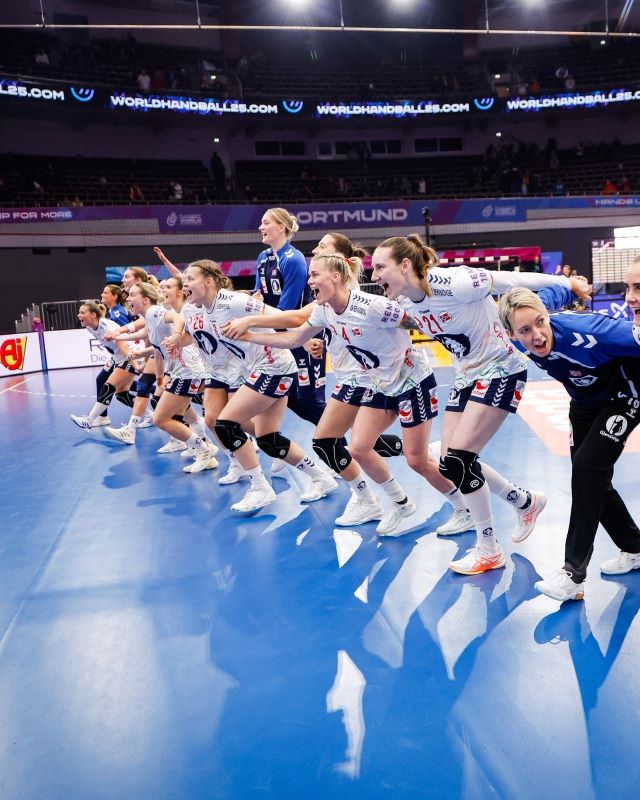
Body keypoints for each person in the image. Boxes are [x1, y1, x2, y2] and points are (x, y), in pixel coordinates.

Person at [369, 234, 581, 574]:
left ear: (405, 265)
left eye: (381, 267)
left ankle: (489, 548)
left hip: (502, 368)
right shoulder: (406, 304)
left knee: (459, 459)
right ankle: (524, 502)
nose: (375, 274)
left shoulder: (455, 282)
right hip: (467, 375)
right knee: (447, 459)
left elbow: (513, 281)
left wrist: (565, 282)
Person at [226, 251, 454, 535]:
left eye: (314, 274)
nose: (310, 280)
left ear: (336, 276)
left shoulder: (373, 306)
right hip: (378, 384)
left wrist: (453, 332)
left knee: (415, 460)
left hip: (410, 381)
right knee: (356, 447)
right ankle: (398, 501)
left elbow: (417, 323)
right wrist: (250, 335)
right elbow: (294, 336)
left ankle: (463, 507)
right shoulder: (322, 310)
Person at [498, 264, 640, 601]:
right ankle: (634, 547)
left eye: (540, 323)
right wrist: (572, 285)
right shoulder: (522, 331)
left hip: (626, 394)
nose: (536, 335)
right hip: (585, 401)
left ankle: (573, 573)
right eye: (524, 331)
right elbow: (550, 295)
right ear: (512, 333)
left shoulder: (590, 330)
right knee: (590, 475)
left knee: (589, 467)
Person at [174, 259, 337, 513]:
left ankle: (260, 488)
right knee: (267, 438)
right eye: (183, 281)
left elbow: (281, 318)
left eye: (190, 279)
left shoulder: (235, 302)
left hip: (273, 366)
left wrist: (303, 342)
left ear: (208, 281)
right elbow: (201, 337)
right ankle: (321, 477)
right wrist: (175, 338)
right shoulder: (198, 311)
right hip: (259, 368)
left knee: (224, 423)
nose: (184, 285)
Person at [254, 208, 327, 429]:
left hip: (301, 333)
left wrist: (255, 318)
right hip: (276, 333)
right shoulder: (263, 257)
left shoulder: (293, 259)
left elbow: (288, 308)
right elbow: (257, 294)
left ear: (282, 227)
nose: (260, 227)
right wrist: (255, 299)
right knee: (287, 395)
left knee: (310, 397)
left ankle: (338, 442)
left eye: (266, 222)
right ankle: (277, 446)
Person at [69, 302, 139, 430]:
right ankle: (149, 413)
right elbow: (110, 346)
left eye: (82, 312)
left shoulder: (107, 327)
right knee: (120, 393)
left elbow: (122, 345)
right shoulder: (90, 327)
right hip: (118, 356)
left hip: (129, 354)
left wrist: (134, 363)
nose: (79, 315)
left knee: (109, 385)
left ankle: (89, 420)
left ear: (93, 315)